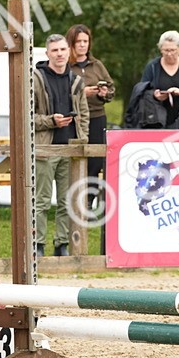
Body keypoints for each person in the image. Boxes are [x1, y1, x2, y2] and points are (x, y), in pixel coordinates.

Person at [32, 34, 88, 257]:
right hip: (45, 148)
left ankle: (61, 244)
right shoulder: (35, 78)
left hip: (70, 148)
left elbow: (84, 114)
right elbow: (26, 116)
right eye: (54, 50)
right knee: (42, 201)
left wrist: (82, 139)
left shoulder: (76, 80)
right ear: (47, 53)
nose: (59, 54)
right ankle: (38, 245)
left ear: (69, 51)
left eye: (63, 49)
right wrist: (50, 121)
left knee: (67, 201)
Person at [67, 24, 115, 215]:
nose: (82, 45)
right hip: (73, 119)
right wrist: (81, 93)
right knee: (74, 158)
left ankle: (88, 202)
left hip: (97, 117)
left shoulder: (97, 65)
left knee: (96, 161)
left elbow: (111, 89)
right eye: (78, 41)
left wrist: (104, 92)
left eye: (85, 41)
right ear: (71, 43)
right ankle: (72, 201)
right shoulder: (65, 65)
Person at [137, 31, 179, 129]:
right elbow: (142, 90)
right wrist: (154, 95)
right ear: (160, 49)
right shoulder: (152, 66)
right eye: (166, 50)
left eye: (173, 50)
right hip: (156, 121)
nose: (169, 54)